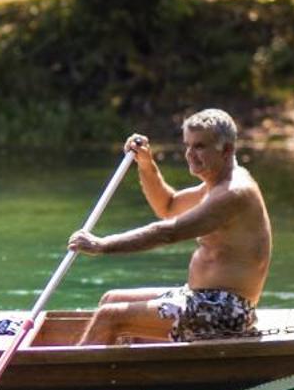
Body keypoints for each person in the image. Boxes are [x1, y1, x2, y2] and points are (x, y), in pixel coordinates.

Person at [67, 108, 271, 346]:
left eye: (200, 146)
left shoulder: (233, 193)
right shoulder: (214, 186)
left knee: (109, 317)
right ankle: (117, 374)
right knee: (110, 299)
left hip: (225, 310)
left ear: (226, 150)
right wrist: (146, 163)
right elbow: (168, 205)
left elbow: (168, 232)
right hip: (199, 298)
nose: (190, 154)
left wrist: (102, 245)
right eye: (188, 145)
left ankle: (72, 378)